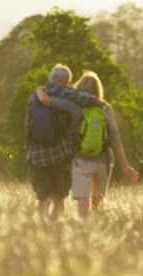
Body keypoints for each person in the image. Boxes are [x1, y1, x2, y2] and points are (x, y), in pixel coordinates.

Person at [36, 71, 139, 219]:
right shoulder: (105, 108)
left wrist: (39, 89)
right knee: (97, 201)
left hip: (81, 160)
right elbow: (115, 138)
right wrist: (125, 165)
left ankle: (84, 229)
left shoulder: (73, 106)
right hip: (104, 160)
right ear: (98, 90)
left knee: (83, 200)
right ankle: (96, 228)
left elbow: (46, 100)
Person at [25, 64, 100, 220]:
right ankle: (55, 228)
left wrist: (29, 153)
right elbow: (92, 99)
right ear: (66, 81)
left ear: (51, 78)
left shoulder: (34, 98)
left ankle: (38, 226)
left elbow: (28, 128)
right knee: (59, 197)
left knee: (42, 197)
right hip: (60, 154)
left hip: (36, 156)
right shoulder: (64, 92)